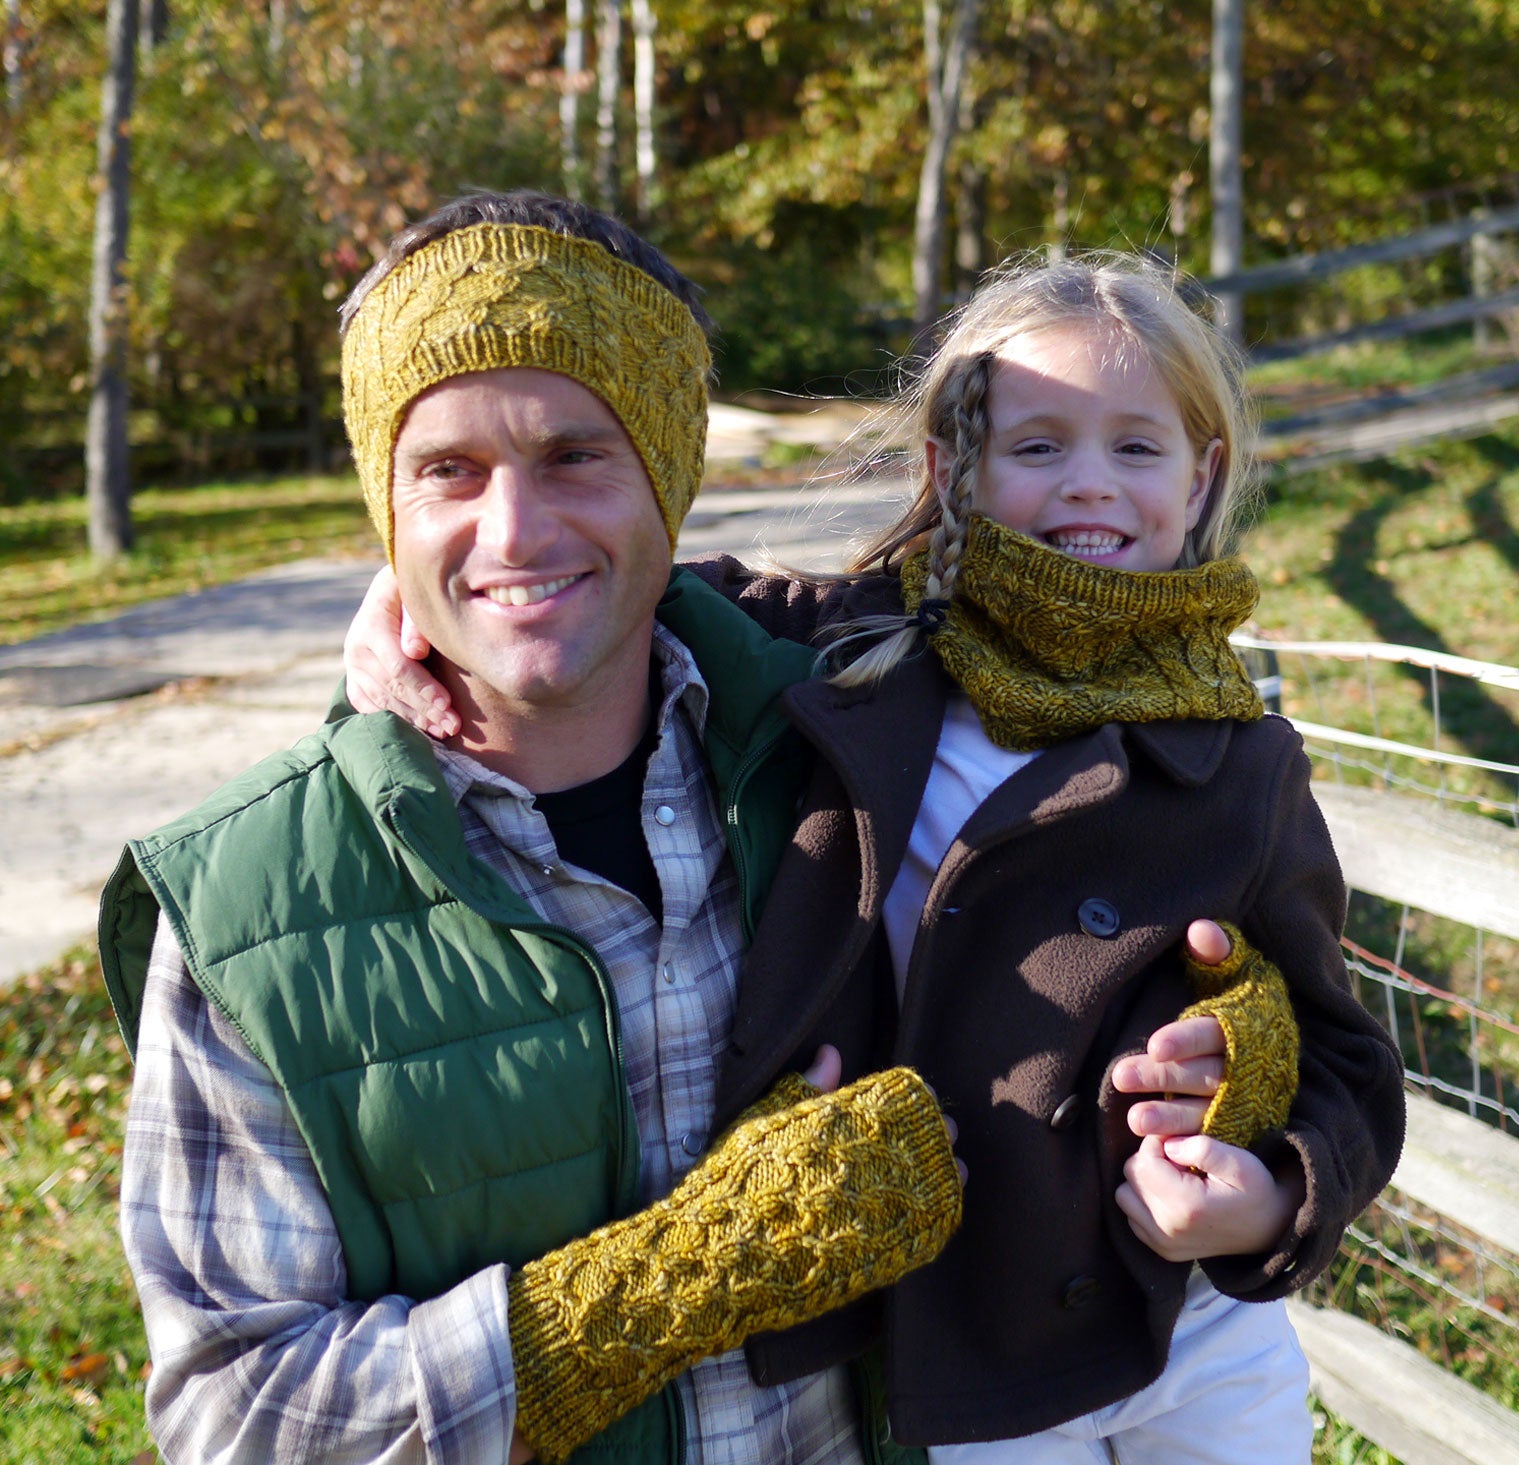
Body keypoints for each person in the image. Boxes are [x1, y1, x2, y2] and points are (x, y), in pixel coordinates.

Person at [347, 248, 1407, 1463]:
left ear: (1202, 472)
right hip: (964, 1338)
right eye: (1039, 445)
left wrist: (1271, 1190)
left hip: (1194, 1323)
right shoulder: (853, 655)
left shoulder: (1242, 757)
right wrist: (398, 599)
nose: (1090, 486)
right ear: (952, 469)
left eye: (1136, 446)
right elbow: (586, 588)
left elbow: (1347, 1056)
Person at [98, 193, 972, 1465]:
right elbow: (236, 1418)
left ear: (666, 482)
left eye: (574, 454)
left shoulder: (841, 756)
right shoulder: (242, 916)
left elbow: (1103, 639)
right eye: (446, 470)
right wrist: (671, 1284)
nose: (513, 531)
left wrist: (1239, 1064)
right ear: (383, 510)